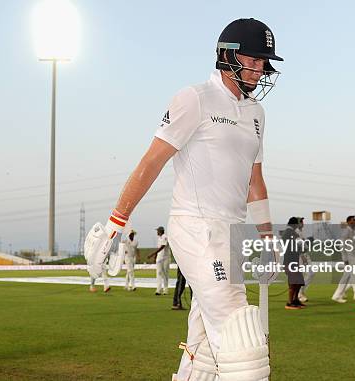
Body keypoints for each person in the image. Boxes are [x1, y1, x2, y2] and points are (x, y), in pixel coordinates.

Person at [84, 18, 282, 380]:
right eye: (251, 61)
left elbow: (255, 181)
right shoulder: (194, 98)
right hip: (196, 229)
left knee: (204, 348)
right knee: (243, 344)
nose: (258, 71)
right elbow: (151, 162)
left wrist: (268, 237)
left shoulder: (256, 113)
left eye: (263, 63)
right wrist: (116, 223)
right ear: (227, 56)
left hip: (232, 235)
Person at [147, 226, 171, 295]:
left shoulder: (165, 237)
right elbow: (158, 248)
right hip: (159, 258)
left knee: (165, 273)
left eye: (157, 231)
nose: (157, 232)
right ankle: (158, 289)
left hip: (166, 258)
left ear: (160, 231)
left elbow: (162, 247)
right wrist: (155, 257)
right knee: (159, 273)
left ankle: (165, 289)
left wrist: (152, 254)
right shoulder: (159, 238)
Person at [296, 217, 314, 303]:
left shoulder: (301, 232)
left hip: (305, 255)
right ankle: (299, 294)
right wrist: (302, 255)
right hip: (300, 256)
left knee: (311, 273)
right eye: (301, 222)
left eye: (302, 221)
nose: (302, 223)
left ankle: (300, 293)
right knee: (303, 275)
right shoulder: (296, 232)